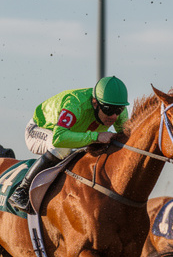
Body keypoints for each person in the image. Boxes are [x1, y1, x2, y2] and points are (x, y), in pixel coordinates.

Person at [8, 76, 130, 212]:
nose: (114, 116)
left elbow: (127, 139)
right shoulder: (75, 103)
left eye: (118, 110)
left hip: (73, 135)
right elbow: (59, 138)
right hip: (39, 130)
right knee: (61, 148)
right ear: (95, 103)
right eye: (108, 110)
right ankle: (21, 191)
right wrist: (96, 136)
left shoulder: (119, 111)